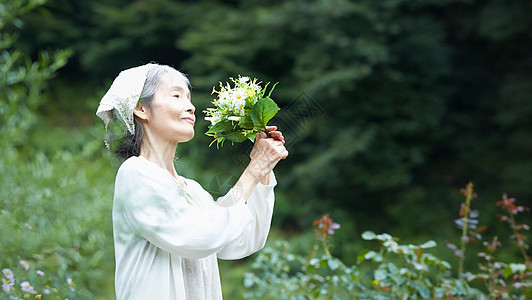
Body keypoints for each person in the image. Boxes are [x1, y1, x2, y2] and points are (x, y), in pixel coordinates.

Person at [96, 63, 288, 300]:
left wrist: (263, 167)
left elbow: (241, 238)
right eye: (176, 95)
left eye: (189, 98)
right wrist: (253, 168)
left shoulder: (192, 190)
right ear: (140, 109)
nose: (191, 106)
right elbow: (201, 235)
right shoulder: (136, 173)